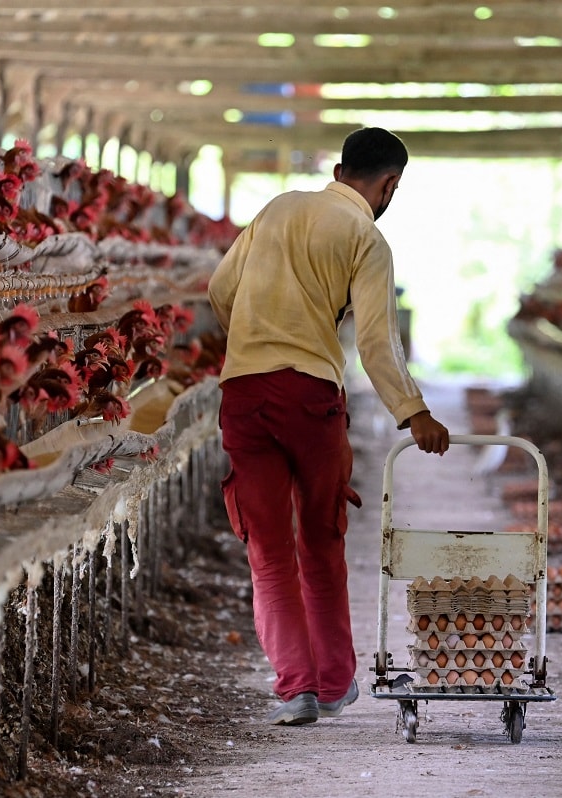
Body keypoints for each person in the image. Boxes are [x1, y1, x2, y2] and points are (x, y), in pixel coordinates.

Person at [208, 127, 450, 726]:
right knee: (319, 540)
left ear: (341, 170)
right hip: (309, 396)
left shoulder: (278, 208)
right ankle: (336, 682)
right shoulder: (366, 238)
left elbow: (219, 289)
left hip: (243, 394)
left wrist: (247, 343)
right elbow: (374, 341)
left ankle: (296, 690)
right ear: (390, 185)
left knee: (266, 547)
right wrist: (413, 412)